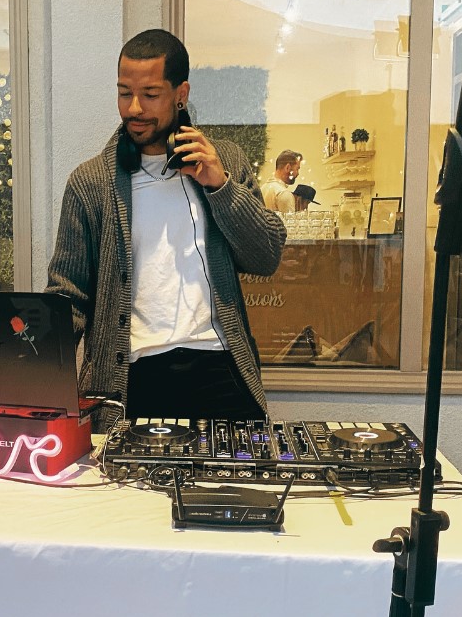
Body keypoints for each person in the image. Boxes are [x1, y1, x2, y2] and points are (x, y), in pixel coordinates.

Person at [45, 29, 286, 421]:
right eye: (124, 93)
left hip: (219, 368)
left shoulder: (224, 162)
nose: (134, 108)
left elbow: (266, 256)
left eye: (150, 94)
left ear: (181, 94)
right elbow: (67, 297)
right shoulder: (91, 183)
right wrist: (36, 387)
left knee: (240, 463)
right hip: (131, 378)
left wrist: (220, 186)